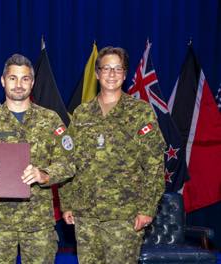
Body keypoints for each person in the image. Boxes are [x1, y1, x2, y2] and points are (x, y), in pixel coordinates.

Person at [60, 46, 165, 264]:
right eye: (106, 68)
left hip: (125, 215)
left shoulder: (140, 111)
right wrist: (67, 203)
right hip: (86, 213)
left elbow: (154, 164)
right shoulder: (82, 113)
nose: (111, 74)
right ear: (97, 73)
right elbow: (67, 160)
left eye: (118, 69)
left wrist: (147, 208)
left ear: (125, 75)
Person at [0, 54, 74, 263]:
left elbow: (69, 162)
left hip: (38, 224)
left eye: (25, 79)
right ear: (3, 81)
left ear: (33, 82)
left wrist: (44, 174)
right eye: (13, 78)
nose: (19, 85)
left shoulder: (50, 119)